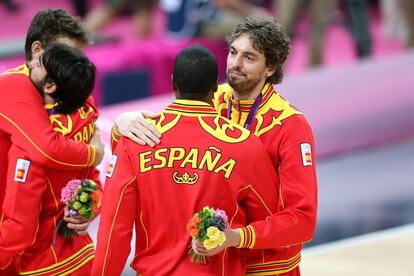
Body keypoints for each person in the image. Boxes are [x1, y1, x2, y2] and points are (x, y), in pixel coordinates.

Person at [115, 17, 318, 275]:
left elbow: (303, 220)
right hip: (216, 266)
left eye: (249, 57)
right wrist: (121, 124)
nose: (235, 64)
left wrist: (236, 237)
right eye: (233, 52)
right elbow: (158, 135)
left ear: (271, 68)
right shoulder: (210, 100)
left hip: (267, 268)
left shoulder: (290, 126)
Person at [92, 45, 281, 275]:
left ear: (172, 83)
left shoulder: (135, 139)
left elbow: (114, 230)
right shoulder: (244, 145)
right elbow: (271, 222)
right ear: (215, 87)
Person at [0, 43, 99, 275]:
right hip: (84, 255)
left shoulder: (30, 144)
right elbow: (95, 184)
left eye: (39, 63)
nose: (31, 62)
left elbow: (20, 228)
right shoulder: (88, 123)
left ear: (51, 85)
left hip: (44, 266)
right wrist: (90, 209)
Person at [0, 8, 104, 212]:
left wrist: (90, 204)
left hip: (57, 224)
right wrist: (94, 153)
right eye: (64, 54)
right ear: (37, 50)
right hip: (13, 224)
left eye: (77, 56)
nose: (73, 65)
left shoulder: (71, 88)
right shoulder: (12, 86)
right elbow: (47, 148)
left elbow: (87, 172)